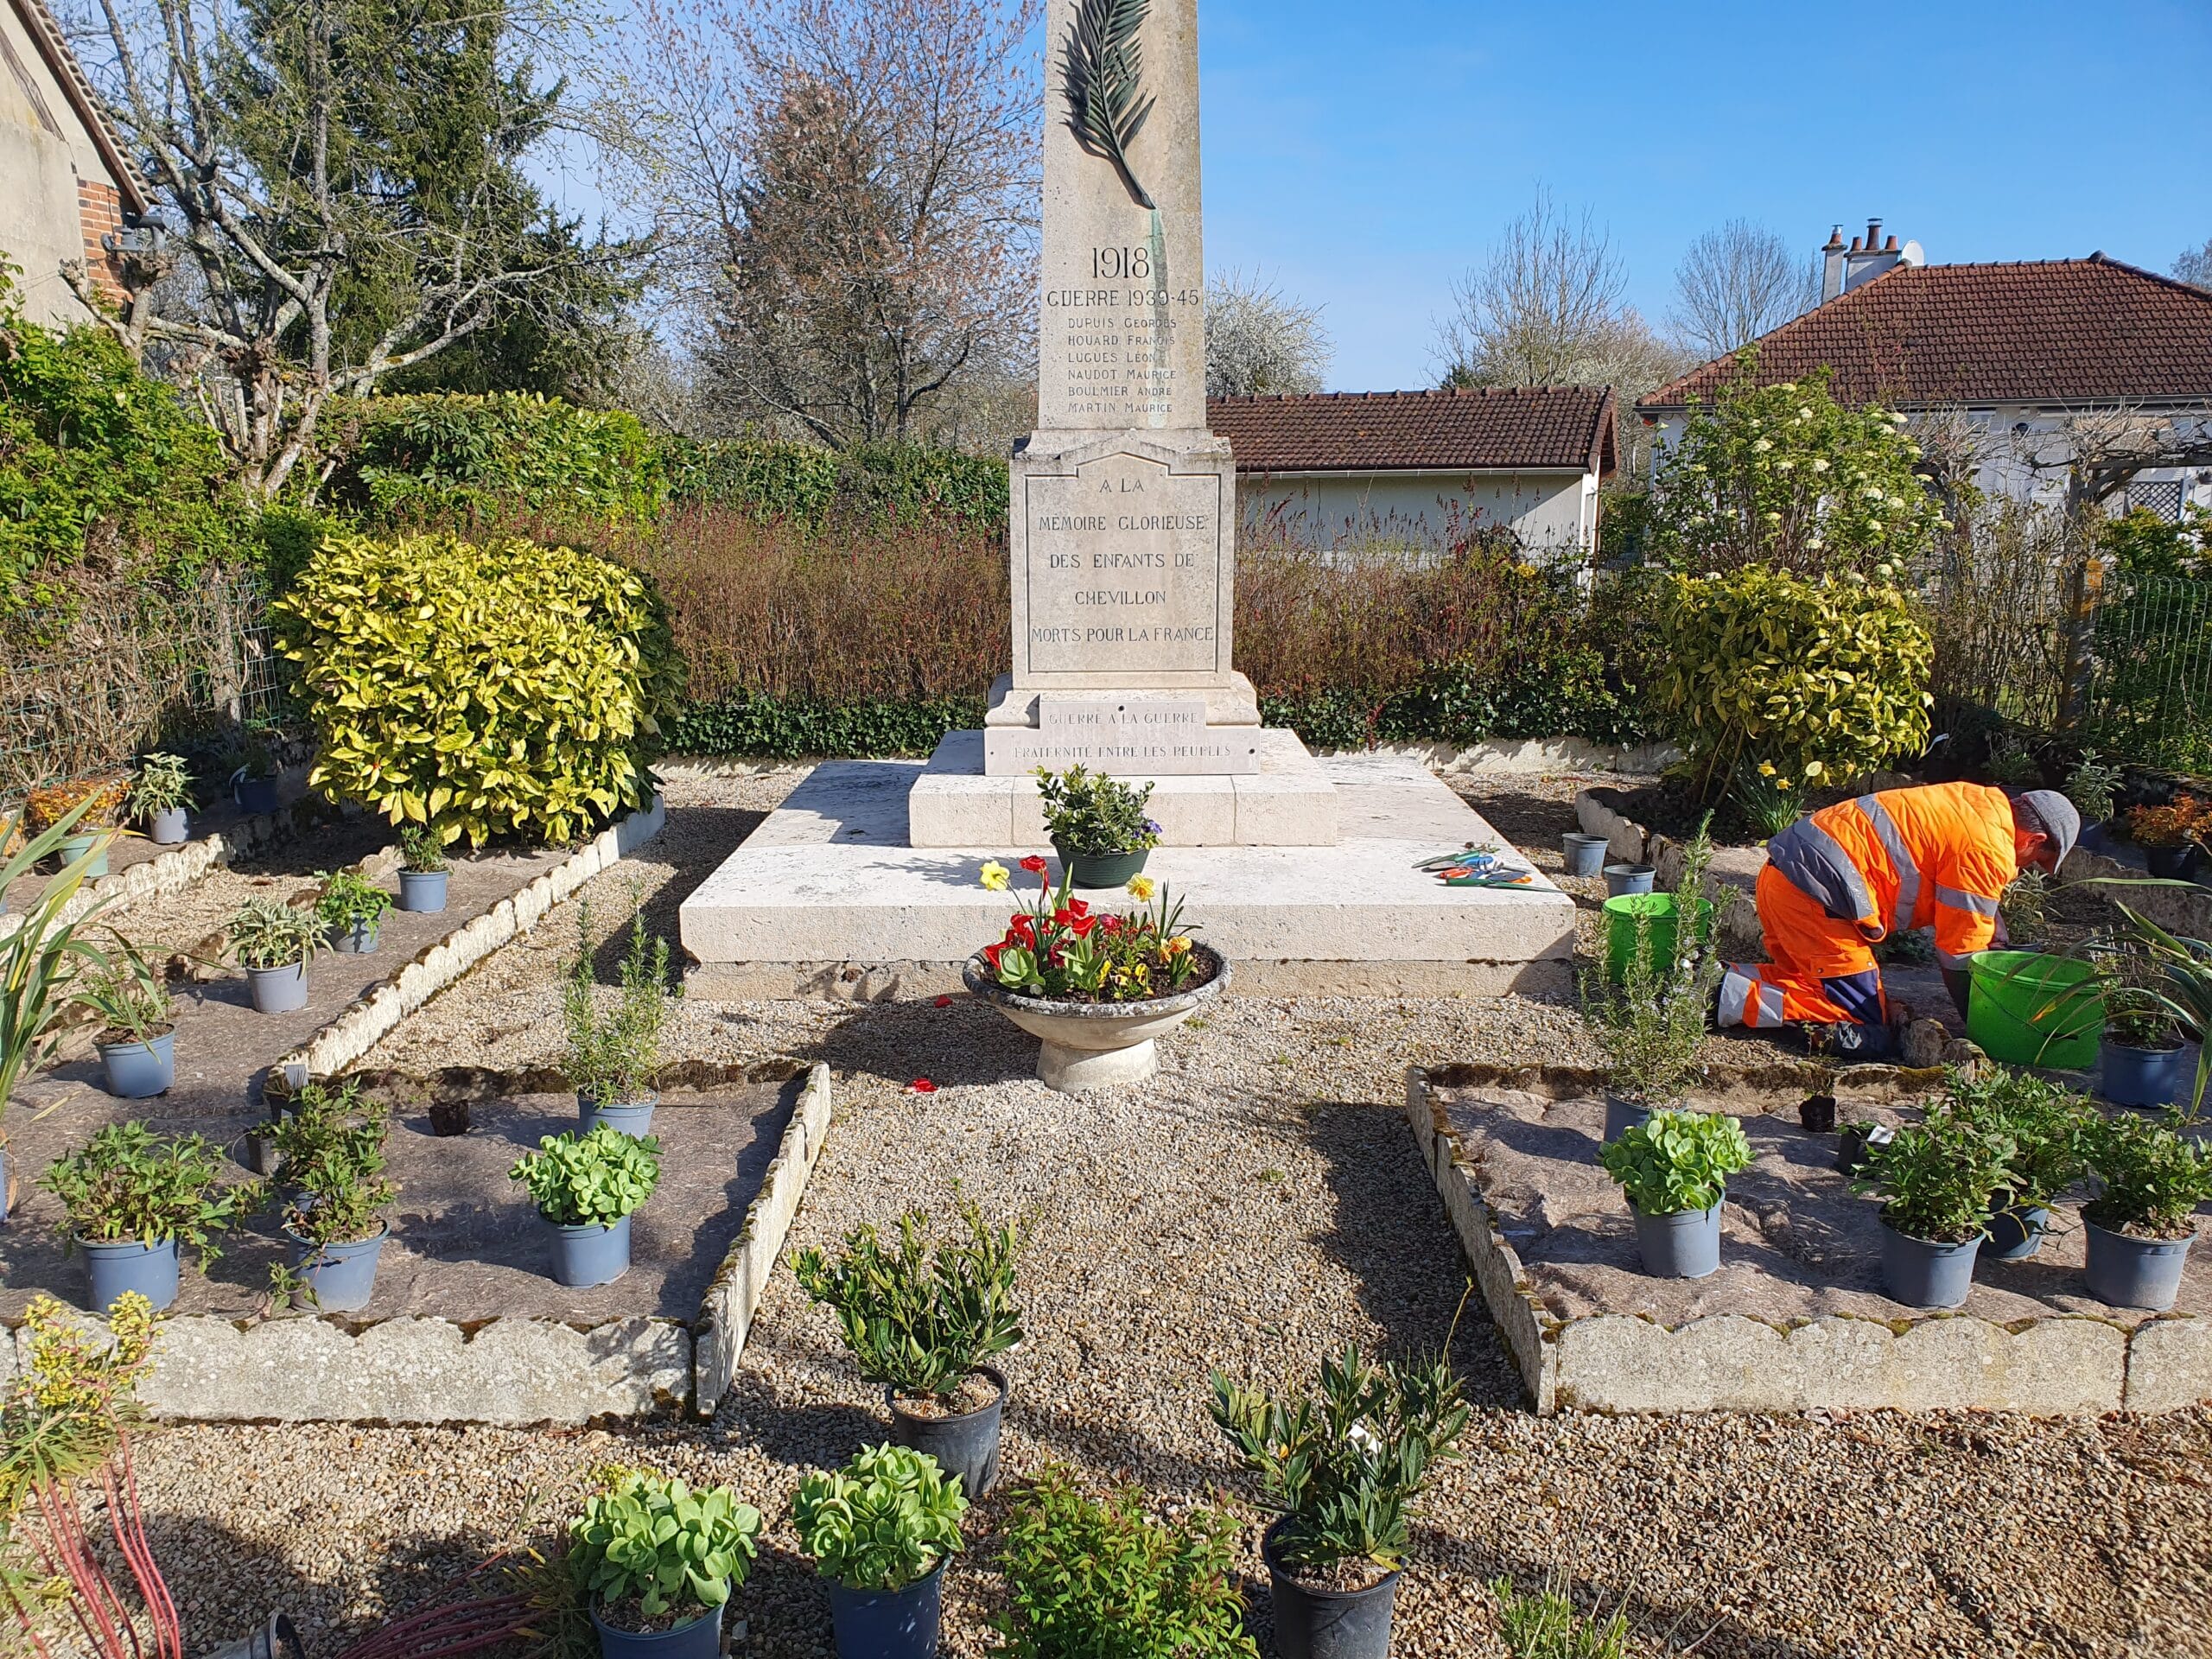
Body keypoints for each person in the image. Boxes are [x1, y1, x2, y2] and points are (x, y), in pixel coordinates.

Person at [1716, 782, 2080, 1055]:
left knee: (1806, 982)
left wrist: (1992, 922)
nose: (2023, 868)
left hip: (1784, 880)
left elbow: (1958, 877)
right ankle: (1717, 996)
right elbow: (1960, 953)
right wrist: (1983, 1022)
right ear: (2035, 839)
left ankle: (1707, 974)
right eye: (2034, 860)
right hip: (1813, 900)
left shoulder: (1975, 802)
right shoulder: (1990, 848)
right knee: (1862, 1025)